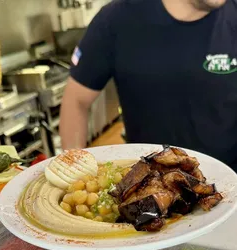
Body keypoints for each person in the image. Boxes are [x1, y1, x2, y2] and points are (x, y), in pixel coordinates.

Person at [59, 0, 237, 171]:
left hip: (230, 187)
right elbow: (76, 100)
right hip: (147, 188)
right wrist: (74, 174)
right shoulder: (117, 19)